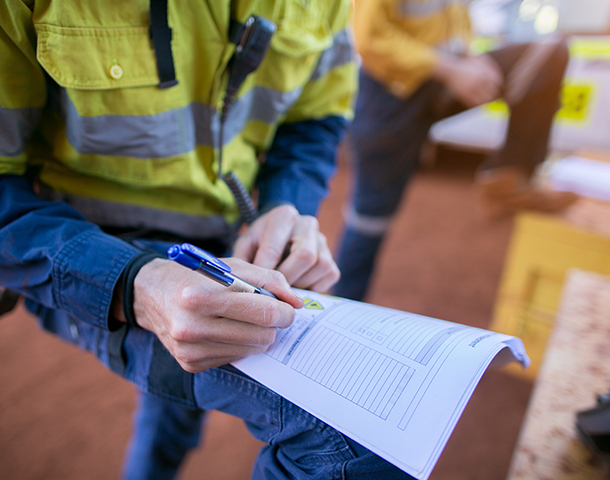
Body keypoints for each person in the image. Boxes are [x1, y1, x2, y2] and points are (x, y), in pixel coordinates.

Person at [0, 1, 413, 478]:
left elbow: (315, 115)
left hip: (223, 247)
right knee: (359, 432)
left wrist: (287, 203)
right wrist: (136, 284)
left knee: (179, 397)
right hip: (90, 251)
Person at [332, 0, 578, 302]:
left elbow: (454, 23)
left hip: (436, 82)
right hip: (388, 98)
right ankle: (341, 310)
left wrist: (471, 58)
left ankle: (509, 178)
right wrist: (450, 69)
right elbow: (370, 39)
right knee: (370, 222)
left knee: (548, 53)